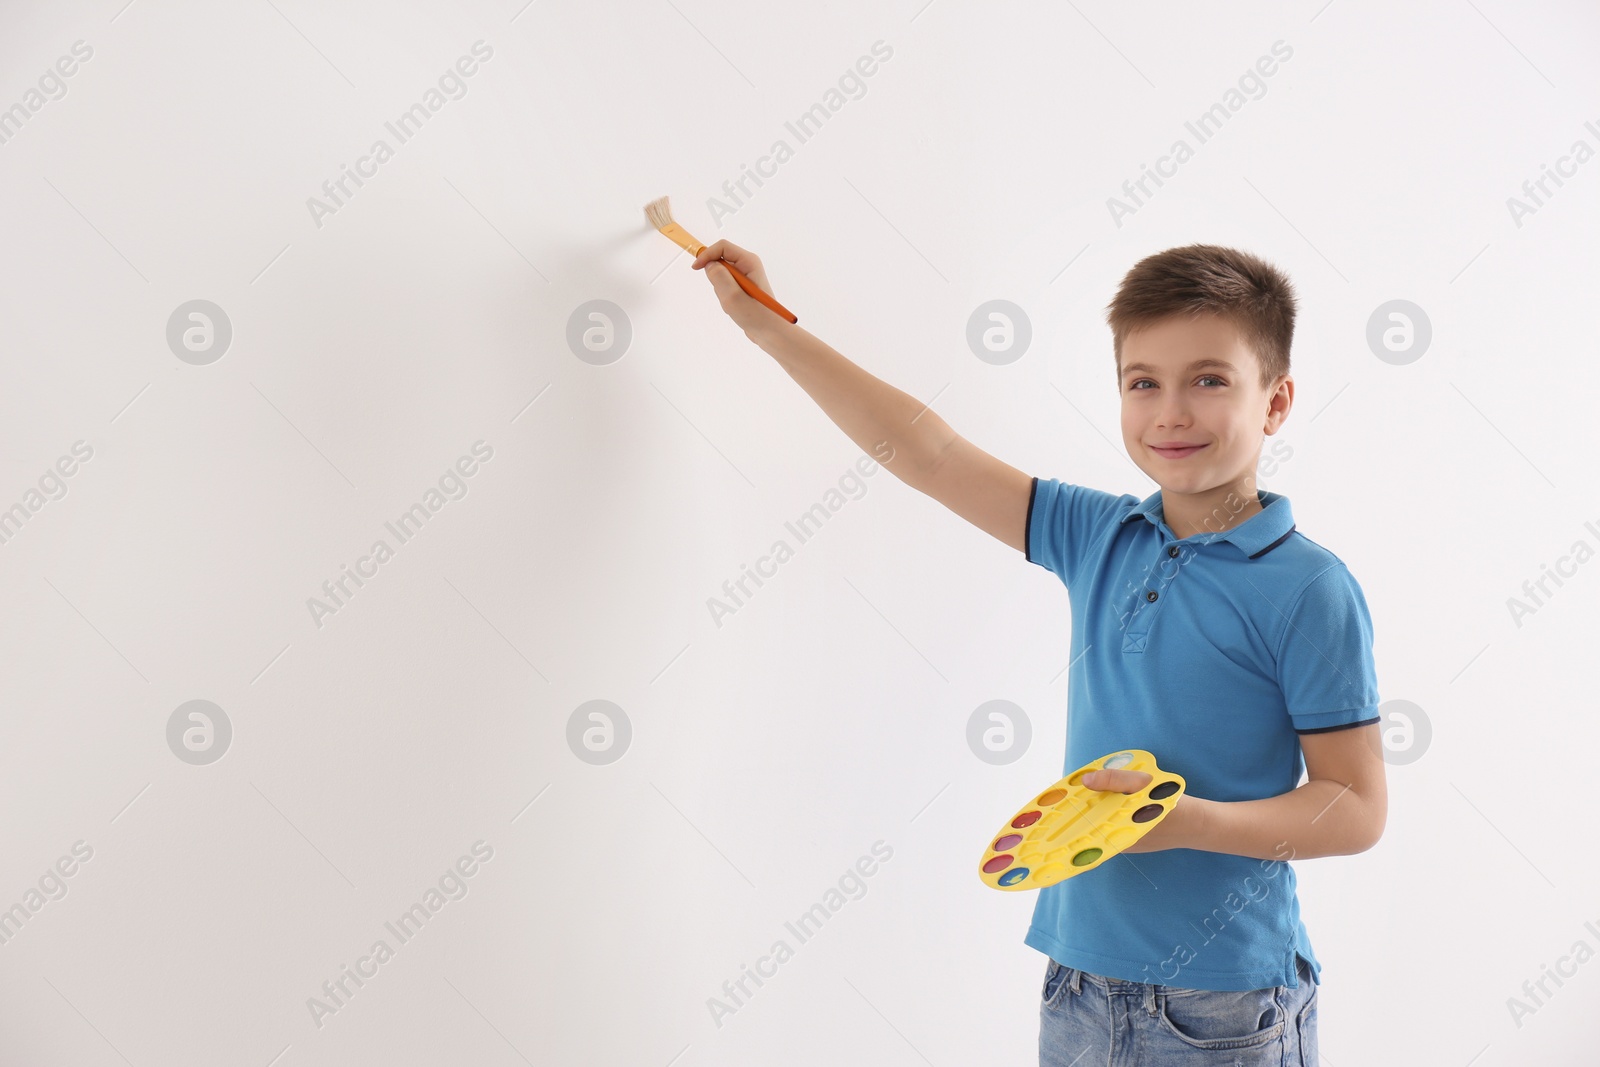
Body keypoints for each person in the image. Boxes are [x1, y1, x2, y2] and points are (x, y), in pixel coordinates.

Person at [695, 240, 1386, 1066]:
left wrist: (1181, 822)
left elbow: (1354, 806)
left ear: (1275, 402)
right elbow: (929, 452)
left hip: (1226, 999)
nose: (1170, 412)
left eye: (1209, 379)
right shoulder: (1100, 536)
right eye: (1143, 382)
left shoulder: (1310, 588)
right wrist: (769, 328)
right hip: (1078, 977)